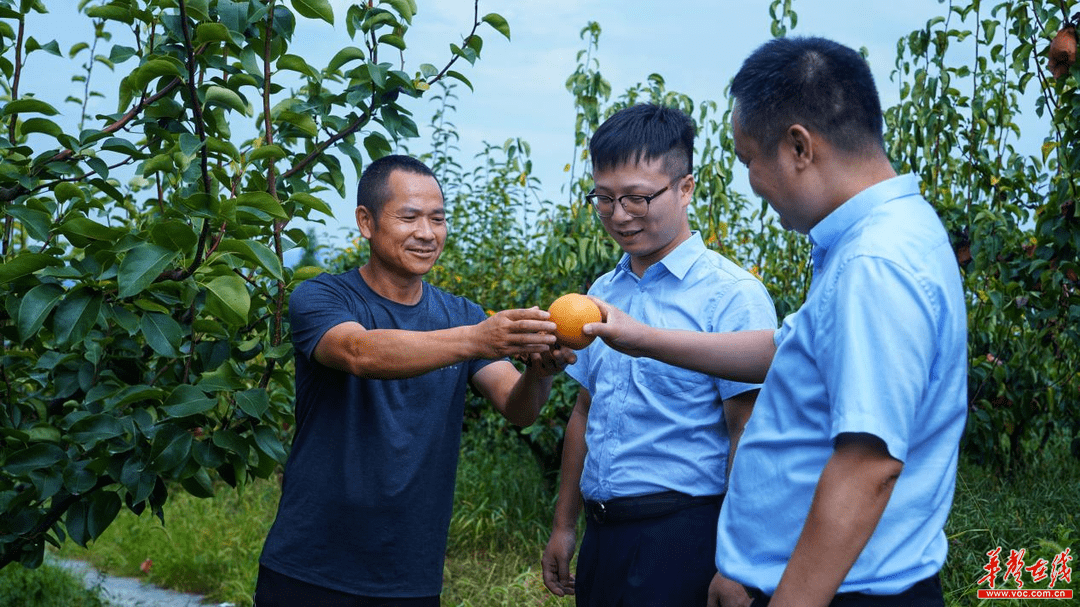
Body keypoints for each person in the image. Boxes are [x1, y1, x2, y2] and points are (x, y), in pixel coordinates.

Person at [581, 37, 968, 607]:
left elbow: (869, 466)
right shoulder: (878, 237)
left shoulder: (875, 264)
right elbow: (784, 351)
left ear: (798, 148)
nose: (753, 184)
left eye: (749, 162)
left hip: (848, 589)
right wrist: (637, 337)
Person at [255, 155, 574, 606]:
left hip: (410, 572)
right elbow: (360, 352)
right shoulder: (322, 297)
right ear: (366, 222)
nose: (427, 233)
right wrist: (478, 338)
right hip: (311, 564)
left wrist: (539, 373)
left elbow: (518, 408)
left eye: (438, 219)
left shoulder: (459, 314)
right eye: (409, 217)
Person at [540, 104, 778, 605]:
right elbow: (585, 410)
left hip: (684, 534)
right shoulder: (603, 290)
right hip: (606, 535)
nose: (619, 215)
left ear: (685, 188)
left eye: (637, 198)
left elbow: (748, 432)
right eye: (603, 198)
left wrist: (737, 563)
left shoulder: (732, 296)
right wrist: (565, 525)